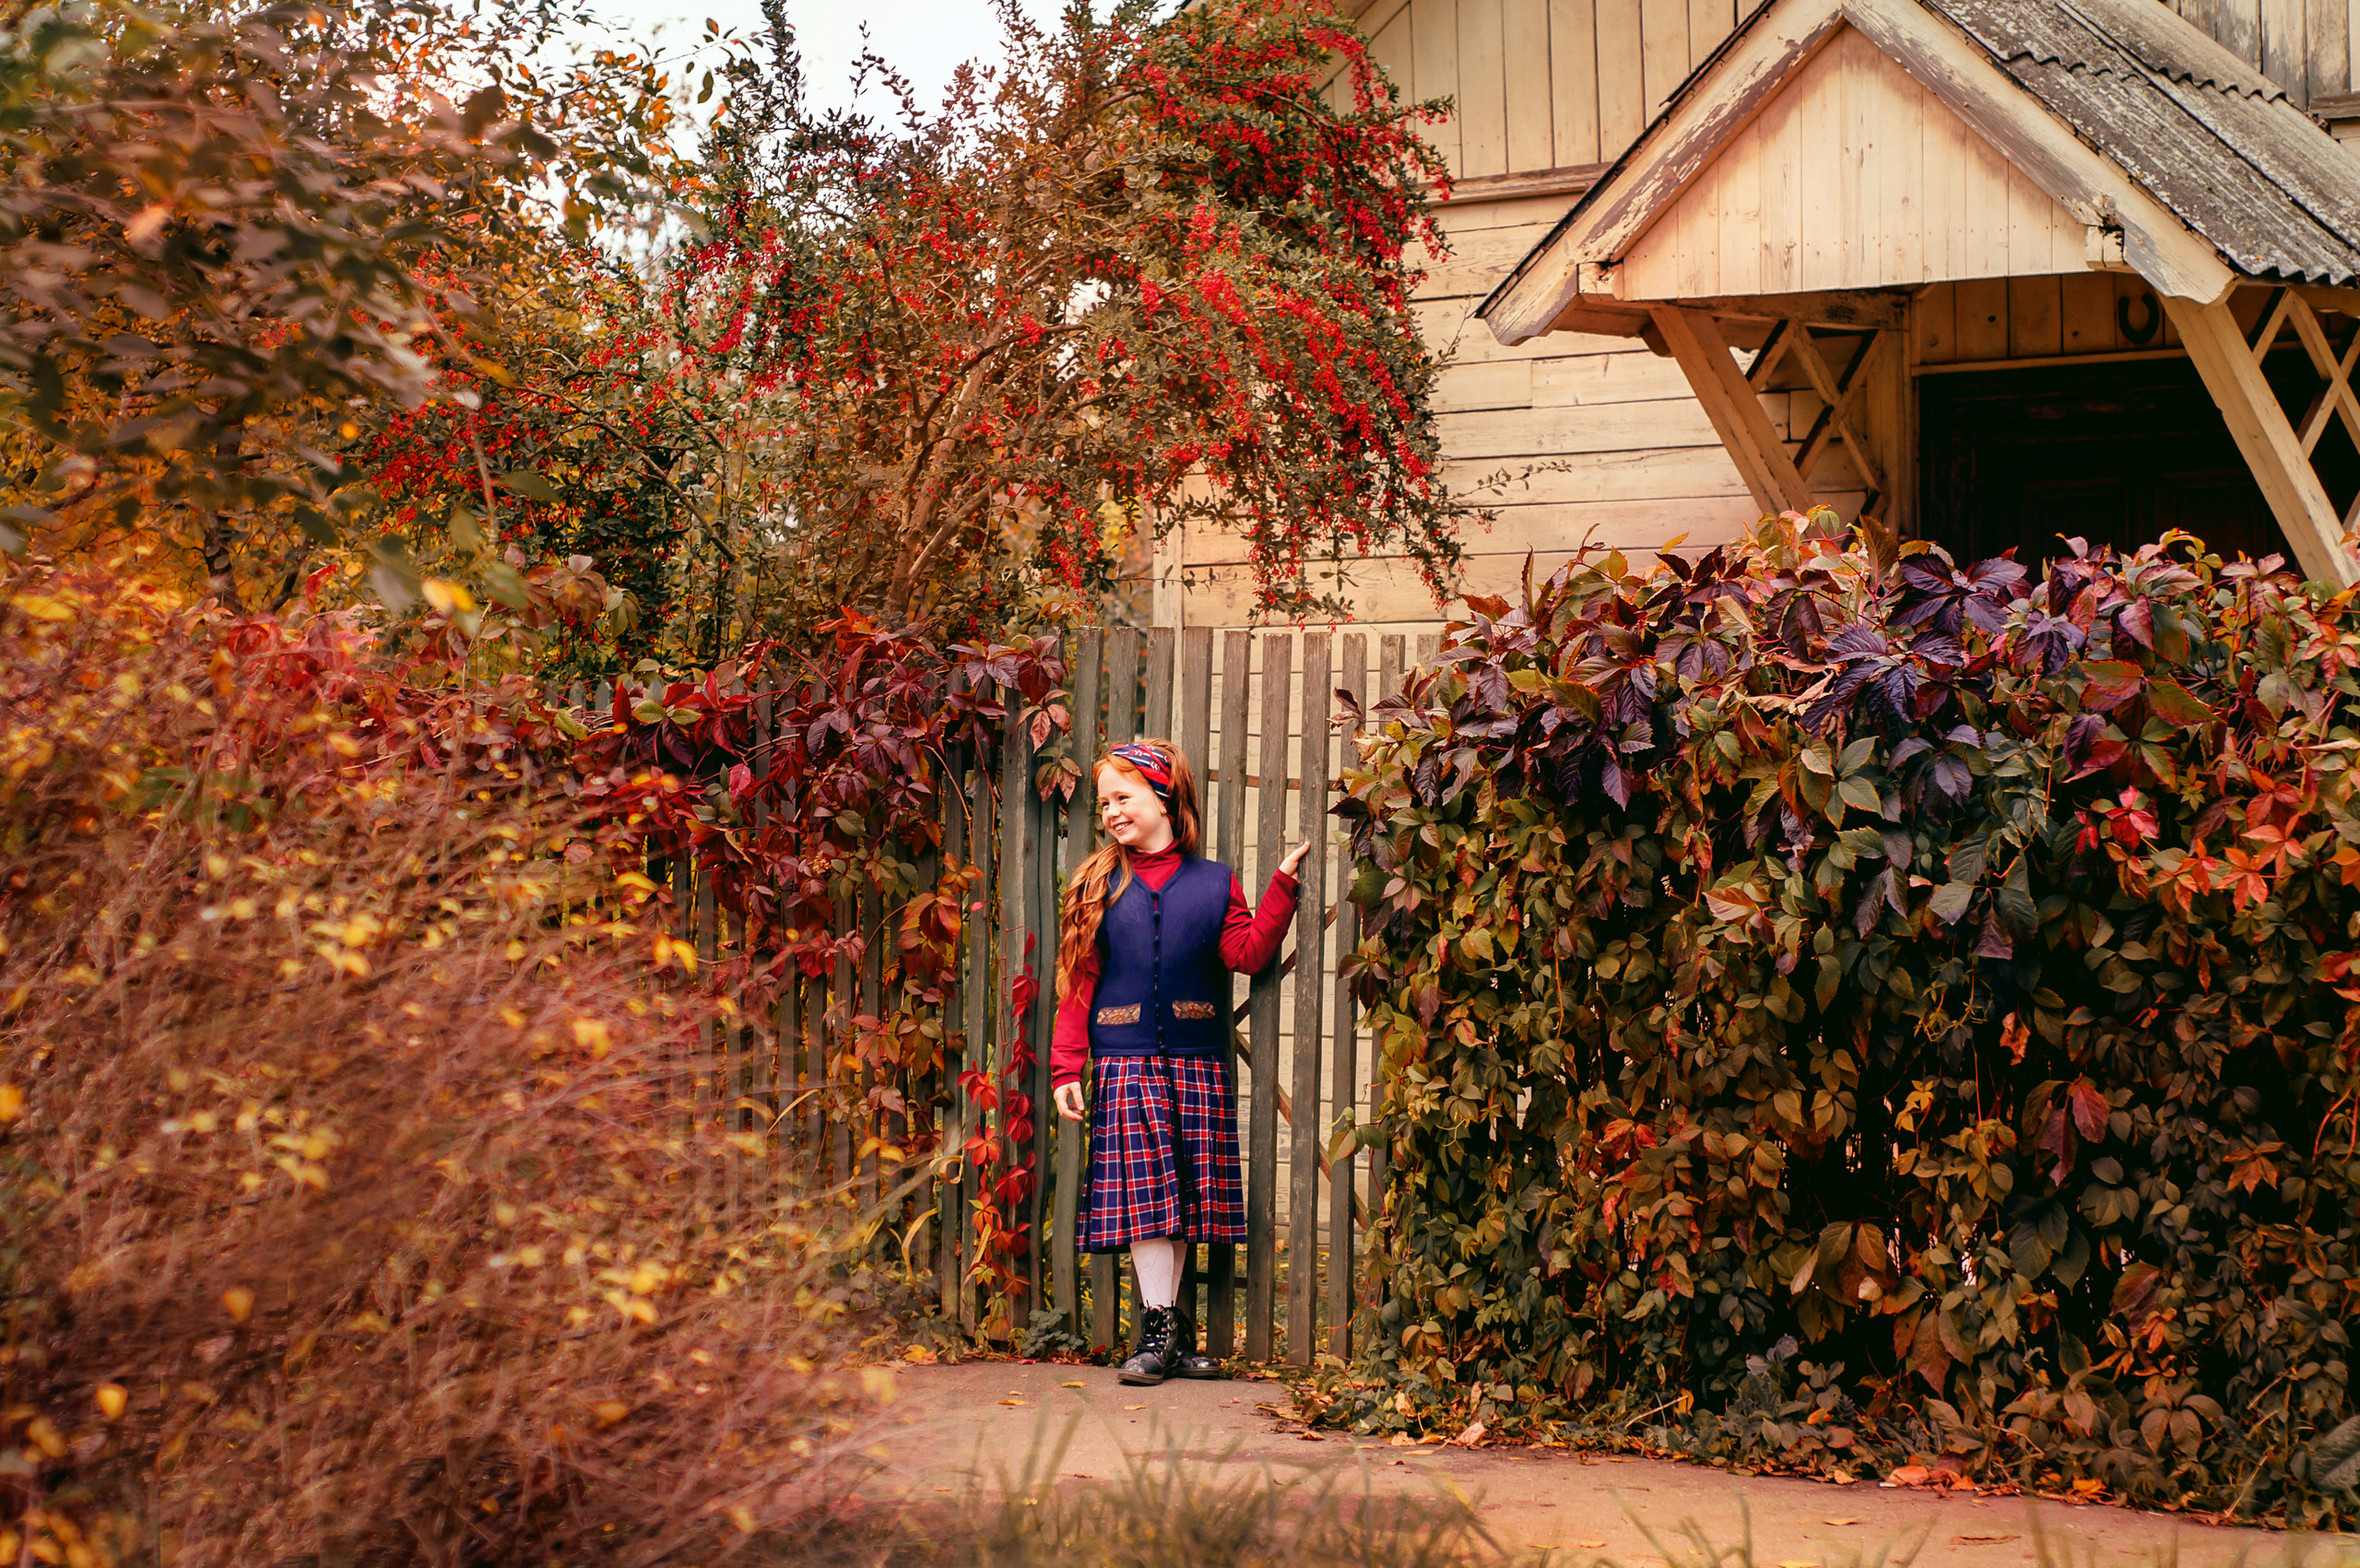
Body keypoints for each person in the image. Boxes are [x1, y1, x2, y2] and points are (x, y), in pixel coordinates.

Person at [1051, 738, 1308, 1386]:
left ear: (1164, 797)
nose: (1111, 810)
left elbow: (1247, 954)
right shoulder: (1096, 884)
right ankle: (1158, 1329)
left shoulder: (1215, 881)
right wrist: (1064, 1068)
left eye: (1124, 797)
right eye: (1104, 801)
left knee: (1182, 1198)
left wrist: (1281, 886)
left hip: (1197, 1063)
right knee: (1146, 1200)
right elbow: (1079, 981)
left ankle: (1167, 1336)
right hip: (1123, 1062)